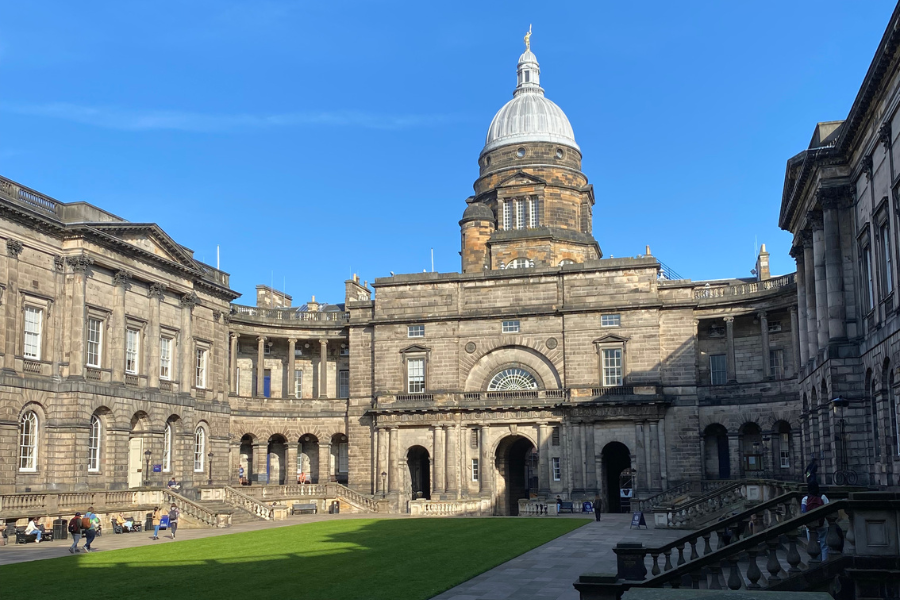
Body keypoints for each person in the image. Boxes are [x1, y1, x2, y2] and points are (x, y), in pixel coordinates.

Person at [801, 482, 830, 560]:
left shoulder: (805, 499)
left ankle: (816, 562)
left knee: (813, 544)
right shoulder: (823, 497)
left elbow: (803, 512)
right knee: (824, 545)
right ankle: (824, 563)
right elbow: (829, 509)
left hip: (810, 525)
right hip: (823, 524)